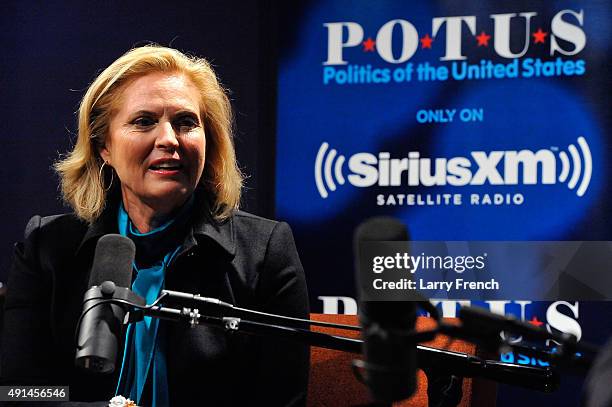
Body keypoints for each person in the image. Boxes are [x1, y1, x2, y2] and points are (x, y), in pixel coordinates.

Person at [1, 45, 310, 406]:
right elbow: (20, 392)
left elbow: (282, 400)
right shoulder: (46, 246)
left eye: (186, 122)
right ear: (104, 146)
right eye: (144, 121)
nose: (169, 139)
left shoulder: (266, 251)